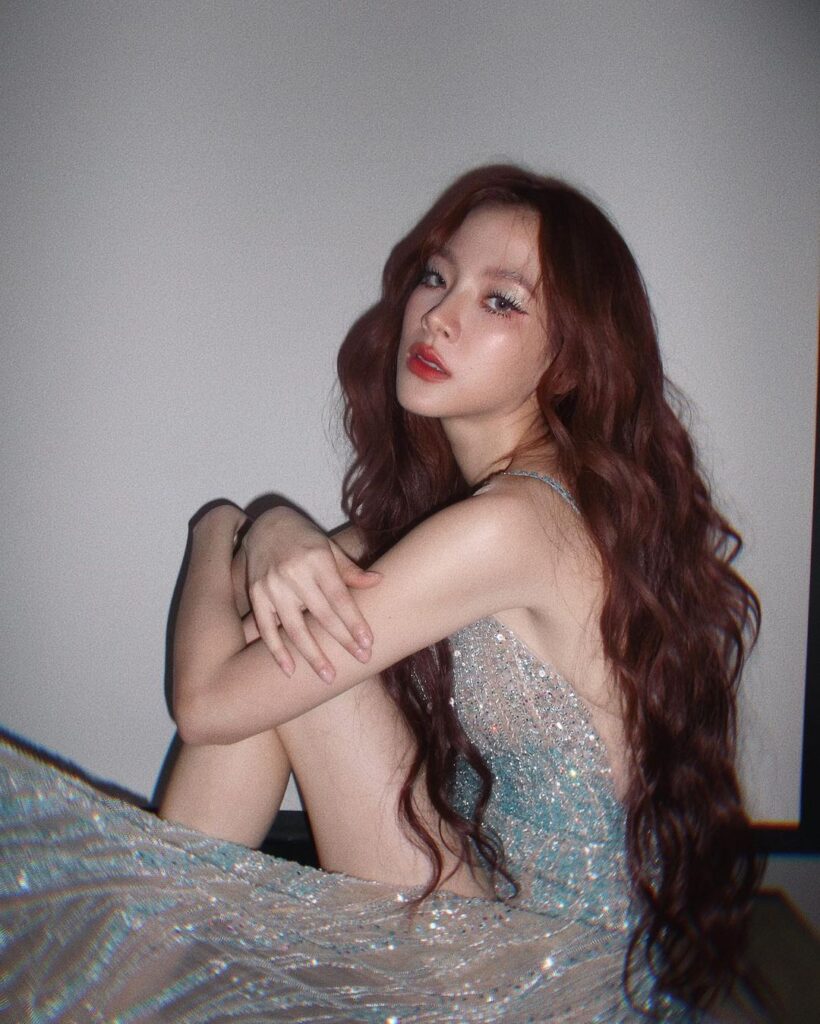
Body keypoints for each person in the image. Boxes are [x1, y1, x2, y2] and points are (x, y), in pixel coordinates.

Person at [0, 165, 761, 1022]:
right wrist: (272, 529)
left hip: (552, 992)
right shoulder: (479, 508)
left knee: (299, 659)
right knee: (297, 628)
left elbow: (208, 703)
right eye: (437, 277)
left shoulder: (514, 525)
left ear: (570, 359)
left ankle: (115, 996)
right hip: (518, 933)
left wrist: (216, 523)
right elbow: (282, 583)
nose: (437, 315)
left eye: (499, 301)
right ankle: (121, 990)